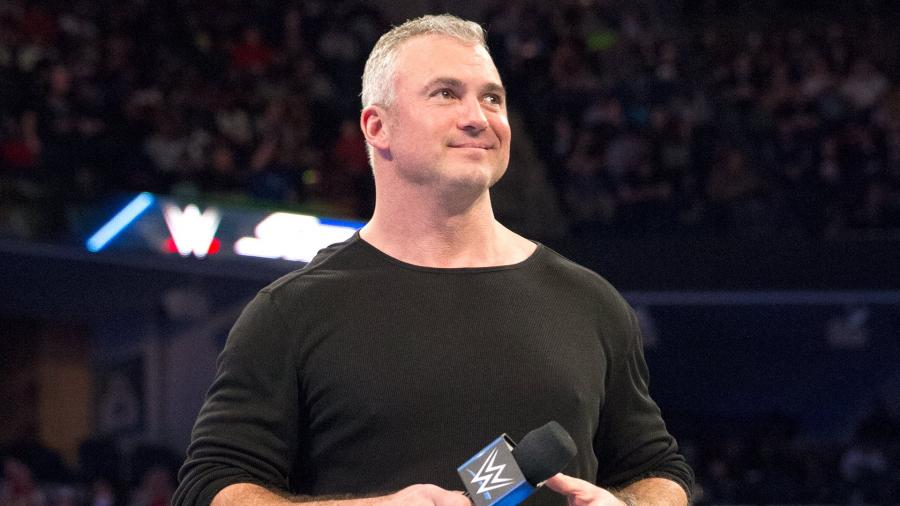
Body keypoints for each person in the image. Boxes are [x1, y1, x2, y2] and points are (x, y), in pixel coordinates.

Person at [173, 14, 693, 506]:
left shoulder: (590, 301)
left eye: (492, 98)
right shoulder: (291, 312)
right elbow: (210, 487)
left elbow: (657, 469)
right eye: (446, 94)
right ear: (377, 127)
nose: (478, 118)